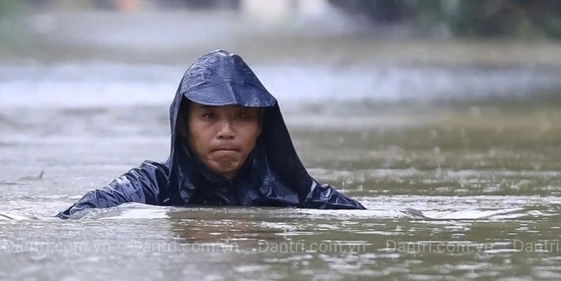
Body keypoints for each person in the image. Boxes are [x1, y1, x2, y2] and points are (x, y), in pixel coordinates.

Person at [57, 50, 364, 218]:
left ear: (260, 126)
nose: (226, 132)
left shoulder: (293, 191)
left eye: (241, 116)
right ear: (183, 125)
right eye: (209, 116)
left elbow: (364, 219)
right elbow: (77, 216)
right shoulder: (151, 186)